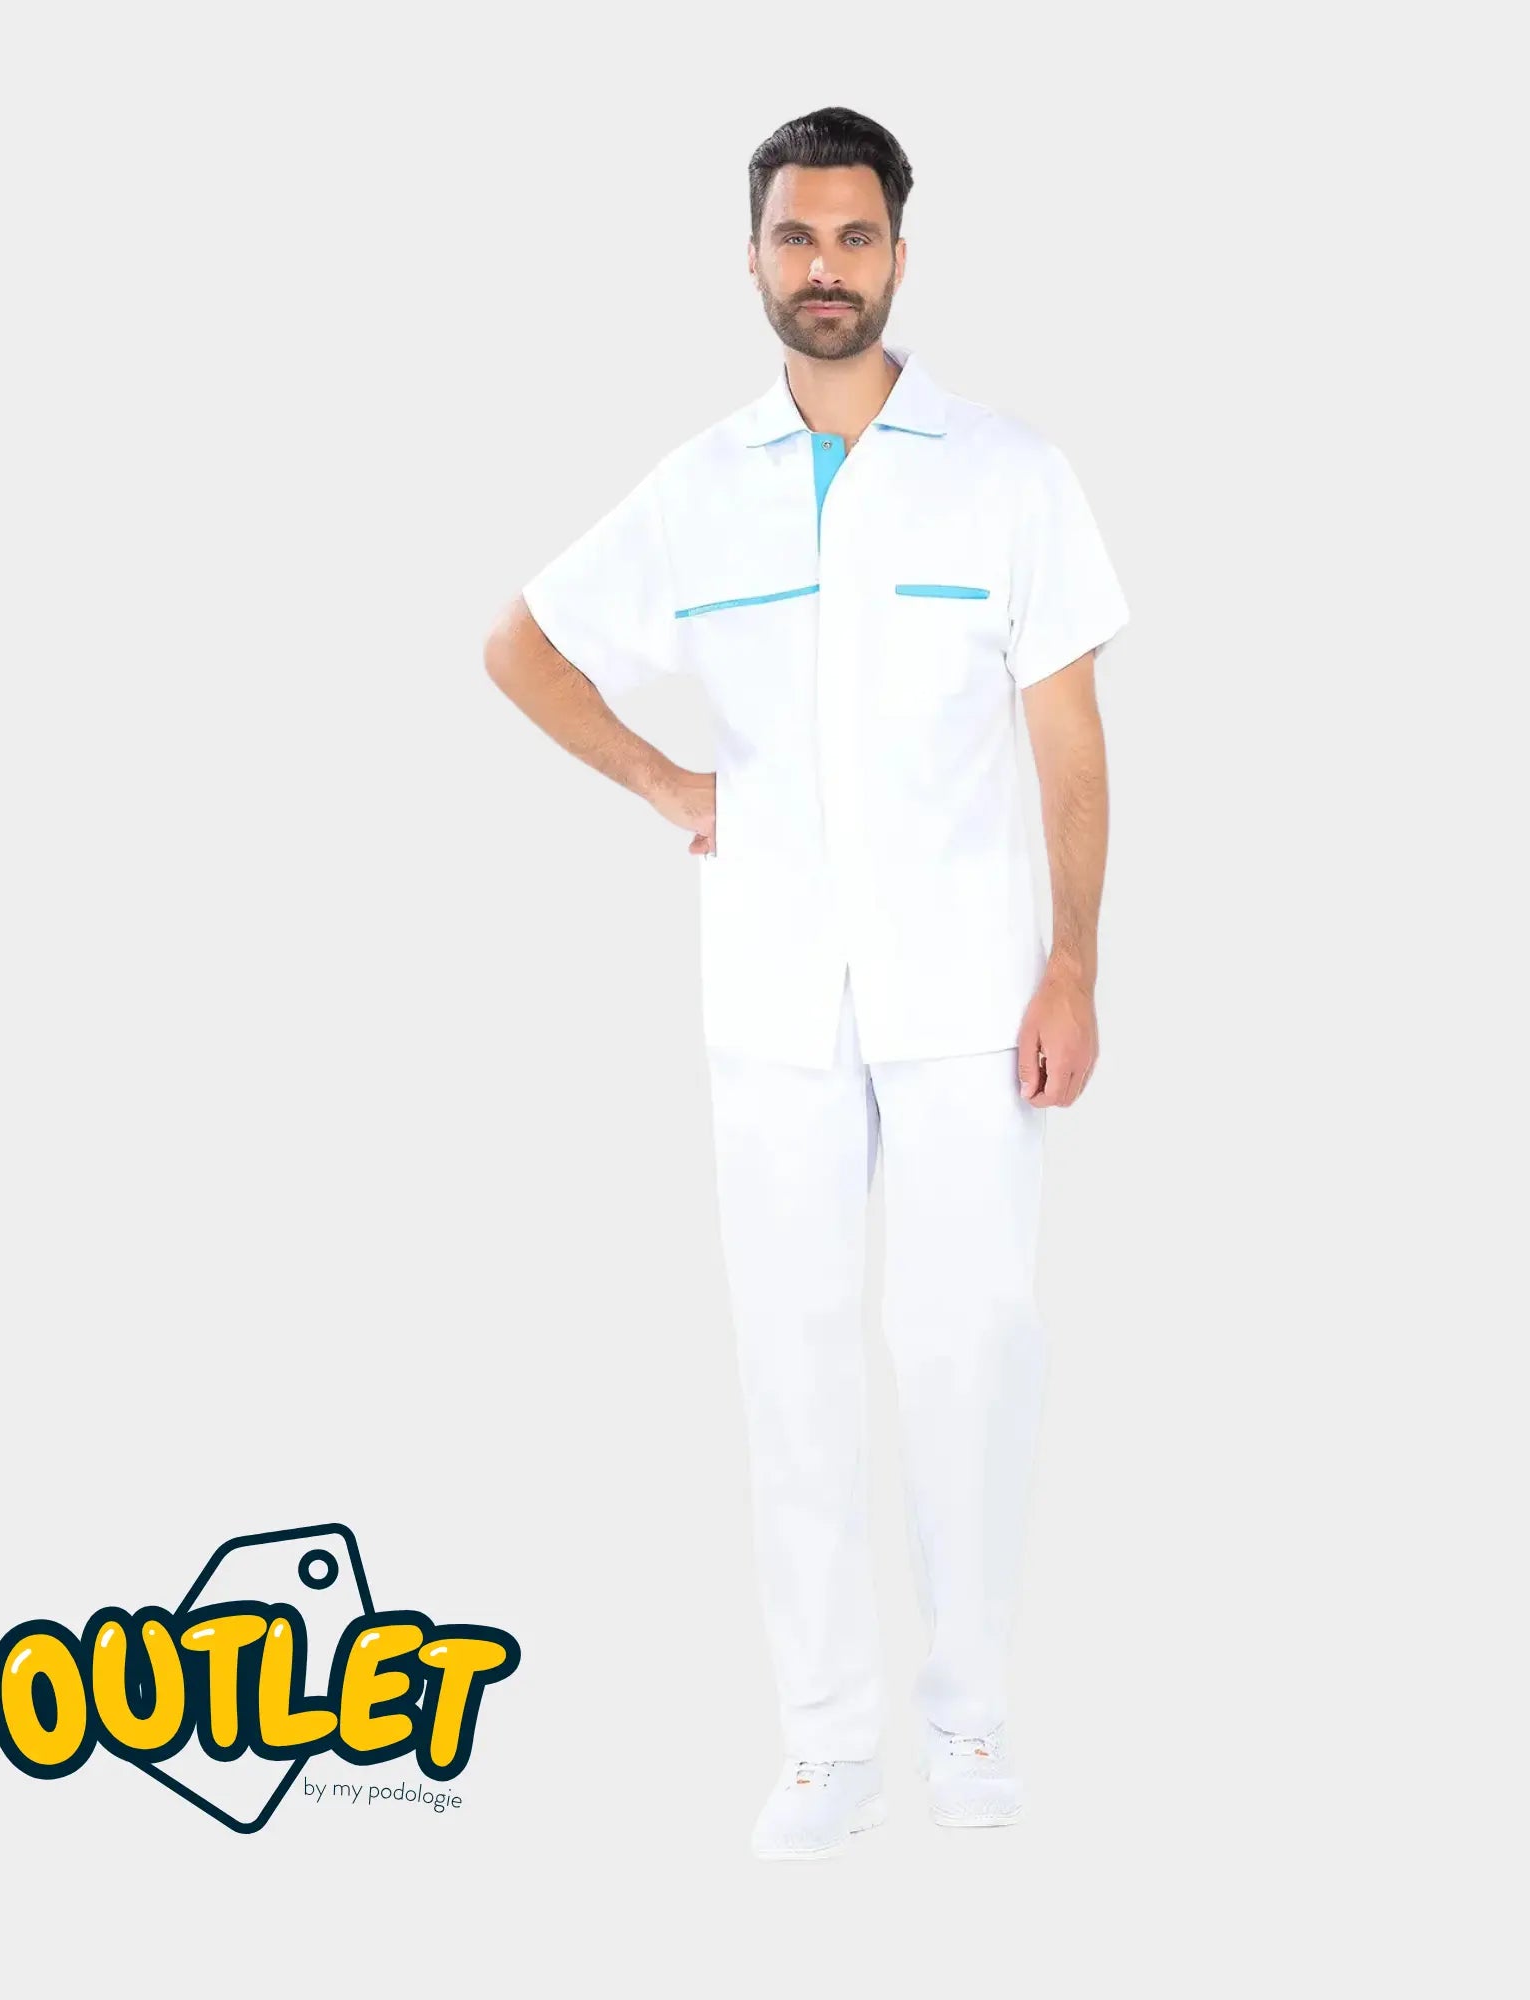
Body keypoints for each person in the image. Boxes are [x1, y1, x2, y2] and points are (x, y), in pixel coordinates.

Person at [484, 106, 1128, 1860]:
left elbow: (1070, 743)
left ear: (900, 253)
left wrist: (1073, 961)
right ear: (755, 256)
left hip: (971, 993)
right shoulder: (700, 488)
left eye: (853, 236)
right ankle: (828, 1746)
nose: (824, 267)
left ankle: (970, 1721)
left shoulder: (1008, 474)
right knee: (792, 1361)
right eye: (795, 237)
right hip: (771, 993)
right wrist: (662, 783)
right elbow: (521, 647)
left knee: (973, 1350)